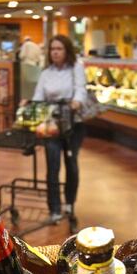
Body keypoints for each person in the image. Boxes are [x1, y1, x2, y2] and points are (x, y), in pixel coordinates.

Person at [23, 35, 87, 223]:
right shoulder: (46, 73)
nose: (56, 52)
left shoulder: (76, 68)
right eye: (53, 49)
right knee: (52, 165)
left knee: (71, 164)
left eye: (59, 49)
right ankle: (55, 208)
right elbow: (39, 94)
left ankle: (69, 202)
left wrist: (77, 101)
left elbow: (81, 89)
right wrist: (29, 103)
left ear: (67, 51)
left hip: (73, 124)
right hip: (52, 124)